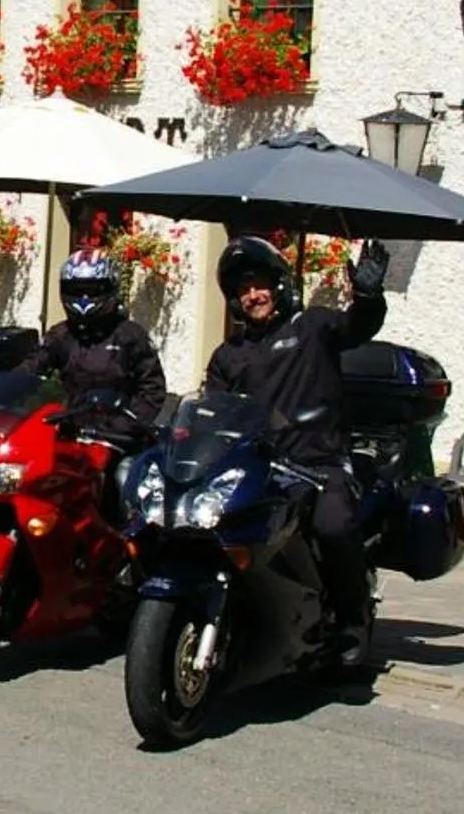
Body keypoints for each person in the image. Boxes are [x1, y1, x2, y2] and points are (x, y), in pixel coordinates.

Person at [202, 234, 390, 655]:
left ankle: (351, 619)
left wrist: (368, 294)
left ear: (278, 283)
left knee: (332, 524)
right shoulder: (228, 355)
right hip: (256, 468)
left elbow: (359, 326)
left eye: (259, 284)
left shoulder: (313, 327)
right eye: (243, 290)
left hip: (318, 462)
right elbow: (212, 410)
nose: (253, 296)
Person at [24, 248, 167, 430]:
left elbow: (152, 390)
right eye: (76, 290)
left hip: (116, 439)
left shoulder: (130, 336)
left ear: (111, 287)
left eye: (92, 290)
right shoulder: (60, 334)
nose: (84, 297)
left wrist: (124, 425)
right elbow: (31, 369)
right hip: (69, 431)